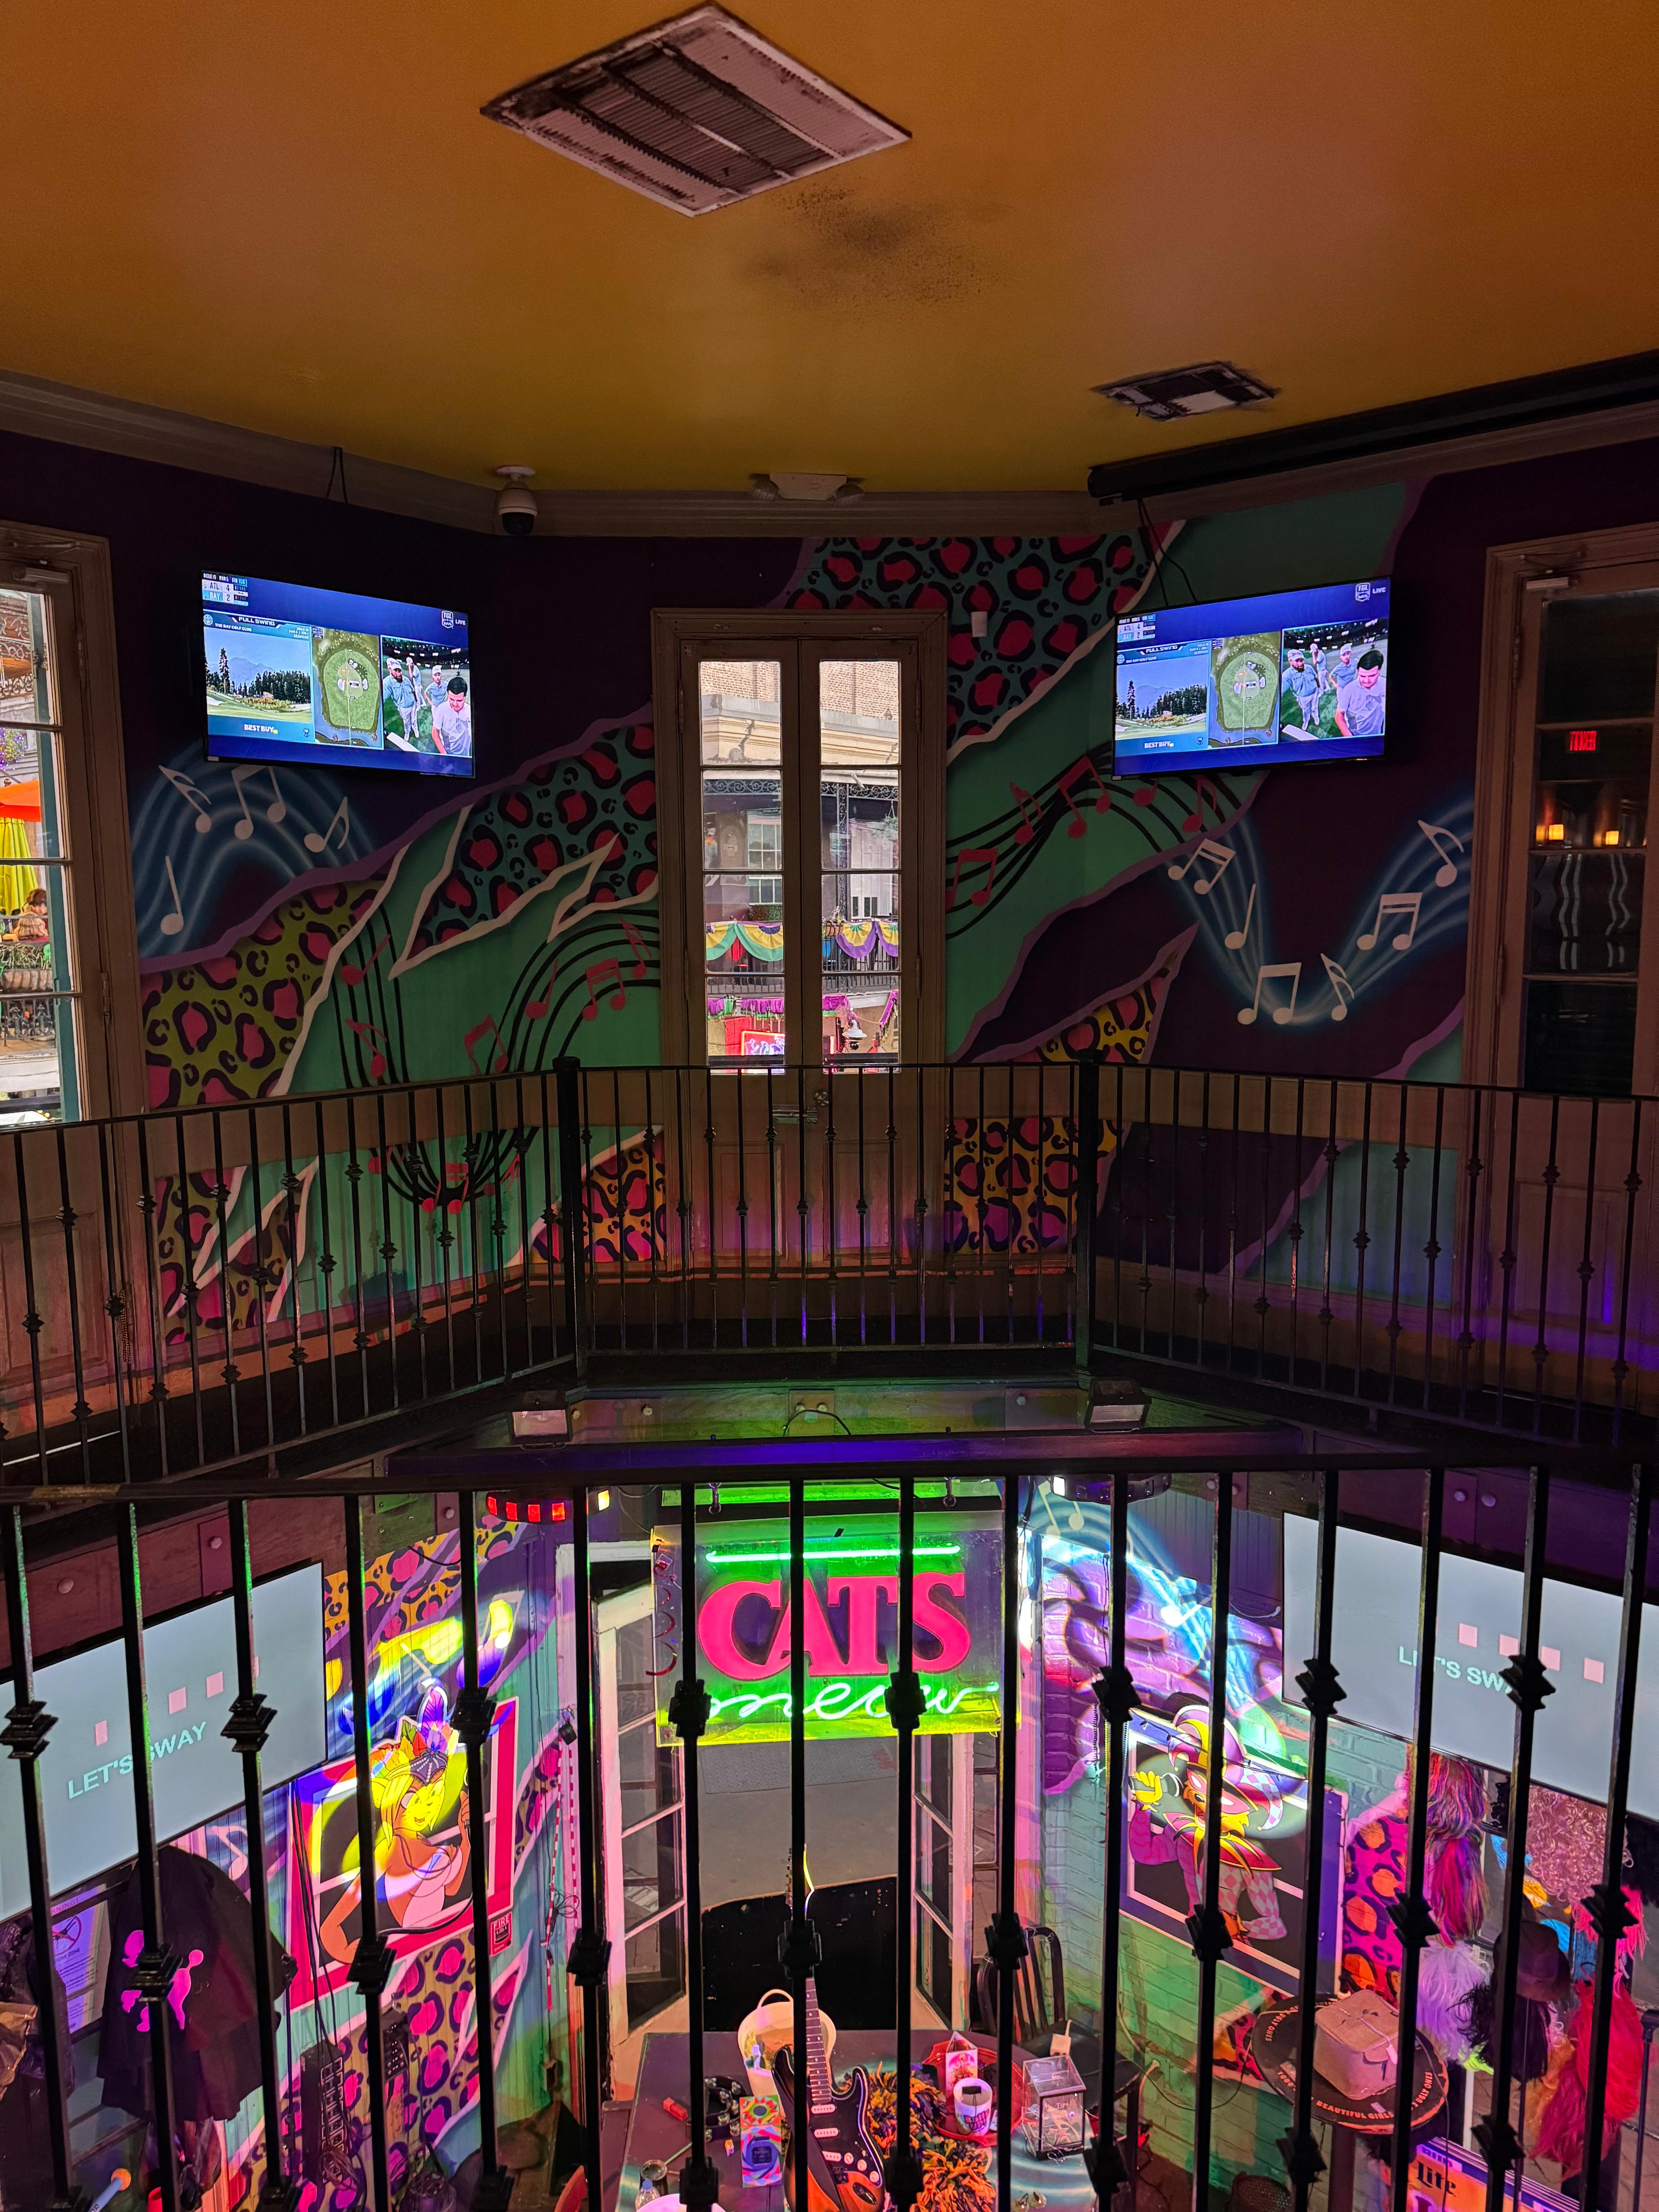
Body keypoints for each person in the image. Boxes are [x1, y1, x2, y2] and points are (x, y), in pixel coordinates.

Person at [1335, 649, 1386, 739]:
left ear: (1379, 671)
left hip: (1378, 738)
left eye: (1372, 676)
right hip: (1356, 736)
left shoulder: (1385, 685)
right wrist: (1351, 739)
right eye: (1362, 676)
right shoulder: (1350, 689)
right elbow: (1339, 715)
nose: (1366, 681)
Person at [428, 672, 471, 756]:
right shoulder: (442, 709)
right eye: (451, 699)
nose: (455, 704)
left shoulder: (469, 712)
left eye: (459, 701)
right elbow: (435, 732)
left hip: (465, 757)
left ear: (465, 697)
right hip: (447, 754)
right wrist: (445, 755)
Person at [384, 657, 423, 749]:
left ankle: (416, 730)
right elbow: (383, 697)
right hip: (403, 708)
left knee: (414, 720)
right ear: (390, 670)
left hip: (413, 705)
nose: (398, 674)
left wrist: (417, 702)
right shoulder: (387, 683)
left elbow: (413, 691)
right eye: (396, 671)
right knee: (407, 722)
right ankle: (407, 732)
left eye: (400, 671)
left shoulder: (406, 679)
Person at [1282, 646, 1322, 735]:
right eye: (1297, 661)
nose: (1301, 663)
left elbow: (1316, 677)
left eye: (1302, 660)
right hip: (1303, 697)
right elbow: (1281, 691)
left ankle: (1316, 717)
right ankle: (1306, 721)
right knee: (1306, 711)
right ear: (1290, 662)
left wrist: (1319, 688)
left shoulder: (1309, 668)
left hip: (1315, 692)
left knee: (1315, 707)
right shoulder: (1287, 675)